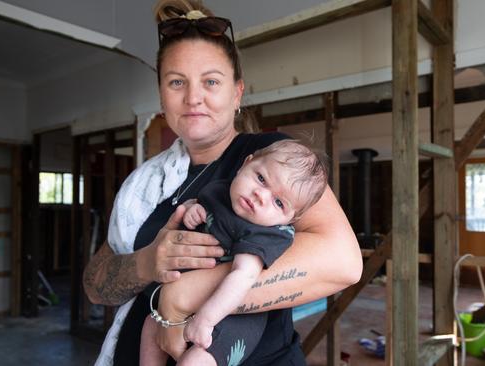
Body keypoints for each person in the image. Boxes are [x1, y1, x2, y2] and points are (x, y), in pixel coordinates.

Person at [82, 1, 362, 365]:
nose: (193, 97)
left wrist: (181, 295)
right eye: (176, 82)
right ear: (161, 95)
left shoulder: (271, 160)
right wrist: (147, 263)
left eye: (211, 81)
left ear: (237, 92)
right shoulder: (146, 185)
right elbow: (95, 284)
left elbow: (342, 262)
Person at [140, 140, 328, 366]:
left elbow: (243, 276)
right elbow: (200, 205)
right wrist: (193, 209)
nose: (261, 195)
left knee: (195, 362)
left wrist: (207, 319)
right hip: (186, 304)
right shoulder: (220, 191)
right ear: (245, 164)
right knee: (151, 325)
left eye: (279, 202)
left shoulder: (266, 233)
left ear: (291, 219)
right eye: (261, 178)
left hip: (233, 317)